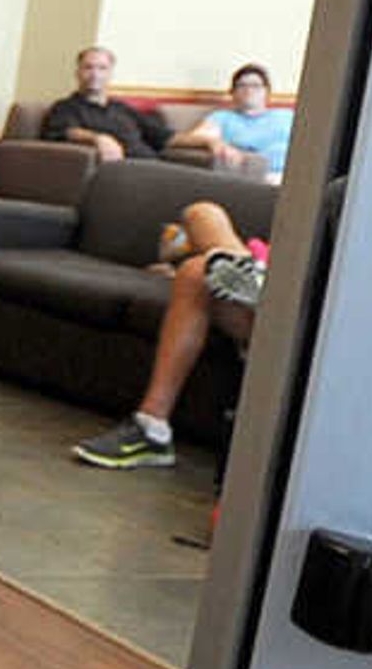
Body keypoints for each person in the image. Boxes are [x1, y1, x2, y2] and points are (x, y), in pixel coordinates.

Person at [73, 201, 265, 470]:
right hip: (256, 271)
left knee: (196, 269)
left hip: (283, 311)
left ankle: (253, 277)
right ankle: (249, 272)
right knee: (201, 217)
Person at [37, 44, 165, 162]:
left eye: (102, 68)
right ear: (77, 73)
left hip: (153, 164)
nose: (95, 74)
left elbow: (165, 136)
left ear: (110, 74)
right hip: (123, 170)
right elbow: (66, 131)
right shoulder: (65, 107)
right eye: (88, 67)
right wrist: (98, 138)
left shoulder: (122, 108)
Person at [163, 63, 292, 179]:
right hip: (263, 176)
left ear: (267, 92)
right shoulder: (223, 118)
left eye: (255, 86)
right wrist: (214, 142)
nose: (249, 90)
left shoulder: (287, 116)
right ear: (233, 93)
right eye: (242, 86)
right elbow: (191, 138)